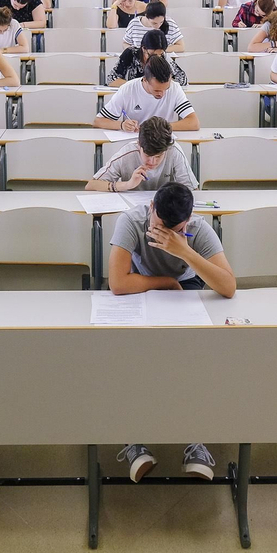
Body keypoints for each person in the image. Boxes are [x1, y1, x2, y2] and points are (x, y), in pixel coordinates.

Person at [109, 182, 234, 482]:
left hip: (187, 288)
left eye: (174, 229)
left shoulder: (199, 230)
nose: (164, 234)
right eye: (158, 226)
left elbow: (228, 286)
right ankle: (134, 438)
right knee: (132, 354)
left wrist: (185, 251)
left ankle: (196, 440)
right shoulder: (131, 221)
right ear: (151, 208)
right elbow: (117, 282)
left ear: (186, 222)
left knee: (192, 354)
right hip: (141, 285)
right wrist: (164, 282)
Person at [86, 116, 196, 192]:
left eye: (158, 156)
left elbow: (192, 189)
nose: (152, 162)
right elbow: (91, 185)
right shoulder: (127, 153)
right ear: (139, 145)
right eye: (148, 155)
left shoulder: (174, 151)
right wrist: (128, 185)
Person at [95, 55, 199, 131]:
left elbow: (194, 123)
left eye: (166, 89)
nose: (162, 94)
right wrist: (122, 125)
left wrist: (161, 127)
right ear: (145, 80)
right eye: (157, 90)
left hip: (162, 142)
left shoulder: (175, 88)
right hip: (134, 141)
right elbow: (98, 121)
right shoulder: (128, 89)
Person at [109, 28, 187, 86]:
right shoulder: (130, 54)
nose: (156, 58)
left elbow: (182, 80)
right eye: (152, 55)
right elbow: (111, 80)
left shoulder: (163, 57)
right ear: (143, 48)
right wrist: (140, 86)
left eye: (160, 54)